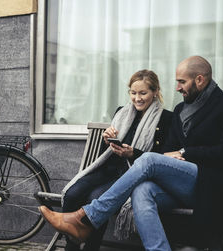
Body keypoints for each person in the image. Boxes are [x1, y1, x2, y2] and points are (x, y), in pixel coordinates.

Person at [39, 56, 223, 251]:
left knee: (148, 160)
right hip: (180, 185)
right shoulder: (180, 110)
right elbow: (168, 152)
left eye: (182, 82)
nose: (177, 87)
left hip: (211, 183)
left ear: (200, 80)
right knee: (142, 190)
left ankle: (86, 218)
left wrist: (185, 152)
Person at [59, 69, 172, 251]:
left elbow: (161, 159)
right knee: (72, 193)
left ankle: (90, 247)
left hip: (131, 175)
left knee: (95, 198)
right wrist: (107, 139)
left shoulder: (166, 118)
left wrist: (132, 153)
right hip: (108, 169)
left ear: (155, 92)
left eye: (143, 93)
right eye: (133, 93)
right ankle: (72, 242)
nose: (137, 98)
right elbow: (106, 153)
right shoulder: (122, 112)